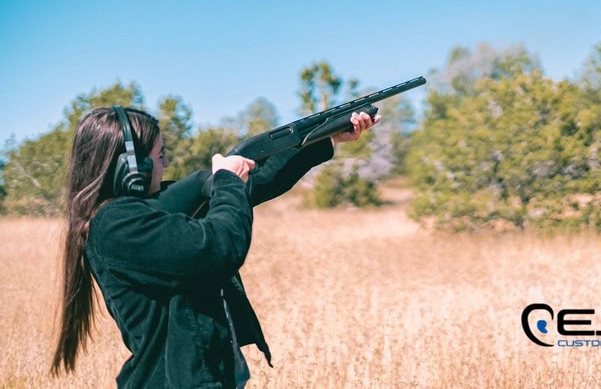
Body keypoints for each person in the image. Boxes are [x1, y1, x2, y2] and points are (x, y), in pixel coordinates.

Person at [50, 106, 379, 388]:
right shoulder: (116, 226)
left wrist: (324, 140)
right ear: (132, 170)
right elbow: (219, 246)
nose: (166, 163)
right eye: (159, 156)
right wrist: (227, 181)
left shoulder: (143, 213)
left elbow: (259, 183)